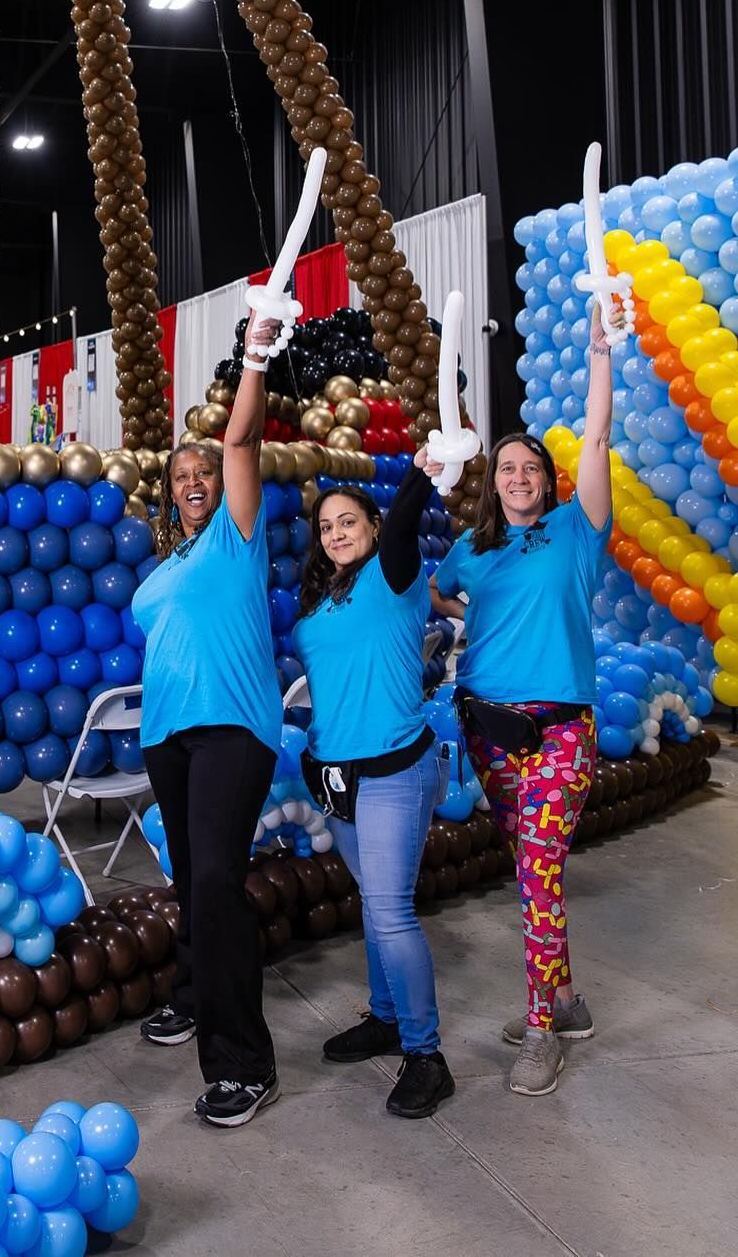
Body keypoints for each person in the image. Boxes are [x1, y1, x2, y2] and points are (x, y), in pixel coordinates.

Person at [430, 304, 614, 1097]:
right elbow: (434, 596)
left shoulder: (579, 529)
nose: (517, 476)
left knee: (539, 870)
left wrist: (601, 350)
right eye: (506, 467)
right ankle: (564, 1000)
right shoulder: (473, 550)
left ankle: (540, 1030)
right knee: (531, 872)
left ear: (548, 478)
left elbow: (599, 437)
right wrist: (467, 618)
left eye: (529, 466)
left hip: (560, 733)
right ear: (492, 481)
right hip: (488, 733)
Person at [132, 310, 284, 1129]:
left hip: (234, 727)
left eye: (202, 470)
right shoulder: (167, 566)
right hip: (168, 736)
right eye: (179, 474)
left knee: (220, 879)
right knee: (192, 879)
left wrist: (253, 356)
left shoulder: (237, 535)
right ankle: (193, 994)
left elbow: (239, 445)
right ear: (167, 493)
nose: (193, 478)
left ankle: (243, 1062)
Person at [290, 446, 456, 1118]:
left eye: (347, 520)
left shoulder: (395, 575)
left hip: (393, 771)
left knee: (391, 911)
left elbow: (409, 515)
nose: (335, 531)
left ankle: (426, 1054)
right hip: (336, 777)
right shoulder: (322, 600)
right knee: (371, 904)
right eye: (326, 524)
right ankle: (386, 1016)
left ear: (373, 525)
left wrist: (423, 469)